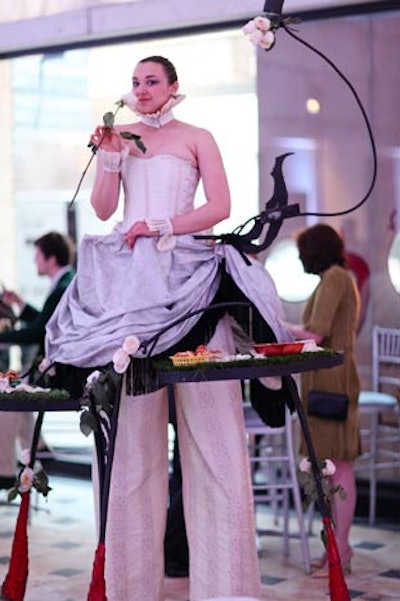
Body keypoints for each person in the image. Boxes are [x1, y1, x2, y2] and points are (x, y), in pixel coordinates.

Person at [45, 56, 292, 601]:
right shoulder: (121, 135)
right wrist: (109, 159)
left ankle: (227, 587)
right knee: (131, 445)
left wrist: (163, 224)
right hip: (133, 285)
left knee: (214, 438)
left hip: (189, 272)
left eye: (152, 81)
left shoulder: (198, 136)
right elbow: (107, 210)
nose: (142, 89)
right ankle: (128, 587)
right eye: (135, 82)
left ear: (174, 86)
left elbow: (222, 206)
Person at [285, 223, 361, 577]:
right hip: (330, 377)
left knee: (337, 466)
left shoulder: (333, 277)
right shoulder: (337, 277)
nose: (301, 260)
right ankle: (336, 547)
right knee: (332, 466)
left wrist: (279, 325)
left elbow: (316, 332)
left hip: (330, 378)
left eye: (303, 253)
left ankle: (340, 549)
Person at [0, 231, 75, 485]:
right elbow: (45, 324)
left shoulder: (64, 286)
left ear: (50, 258)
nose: (35, 262)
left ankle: (6, 471)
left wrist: (3, 337)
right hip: (54, 366)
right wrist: (20, 303)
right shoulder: (65, 282)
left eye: (38, 257)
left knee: (9, 395)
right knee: (16, 388)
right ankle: (37, 446)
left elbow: (39, 332)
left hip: (61, 371)